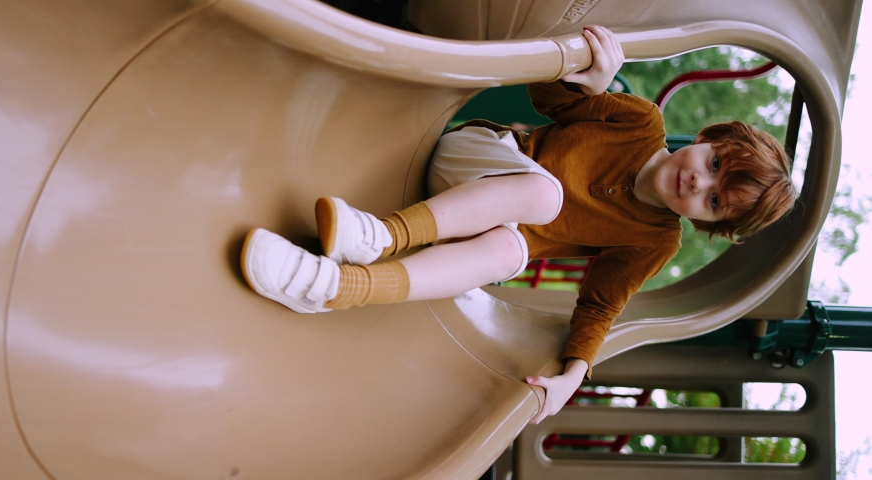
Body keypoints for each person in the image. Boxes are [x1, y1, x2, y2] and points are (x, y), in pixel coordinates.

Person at [239, 25, 798, 425]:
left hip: (476, 235)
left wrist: (572, 378)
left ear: (708, 223)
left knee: (511, 257)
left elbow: (601, 304)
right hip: (475, 159)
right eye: (716, 165)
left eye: (716, 202)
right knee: (542, 195)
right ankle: (381, 235)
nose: (699, 184)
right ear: (708, 139)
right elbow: (545, 95)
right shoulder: (638, 121)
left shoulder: (656, 239)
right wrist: (593, 83)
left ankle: (336, 287)